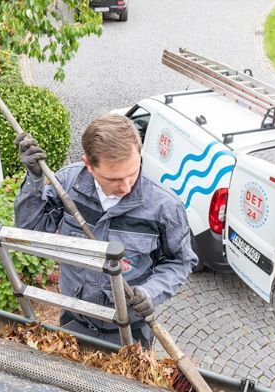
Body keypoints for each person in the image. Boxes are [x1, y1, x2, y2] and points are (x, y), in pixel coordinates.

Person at [13, 113, 198, 348]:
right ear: (88, 165)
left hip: (130, 331)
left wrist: (150, 292)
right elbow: (30, 229)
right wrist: (34, 180)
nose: (127, 186)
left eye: (133, 173)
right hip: (74, 320)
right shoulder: (67, 185)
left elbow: (180, 262)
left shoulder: (164, 207)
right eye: (114, 179)